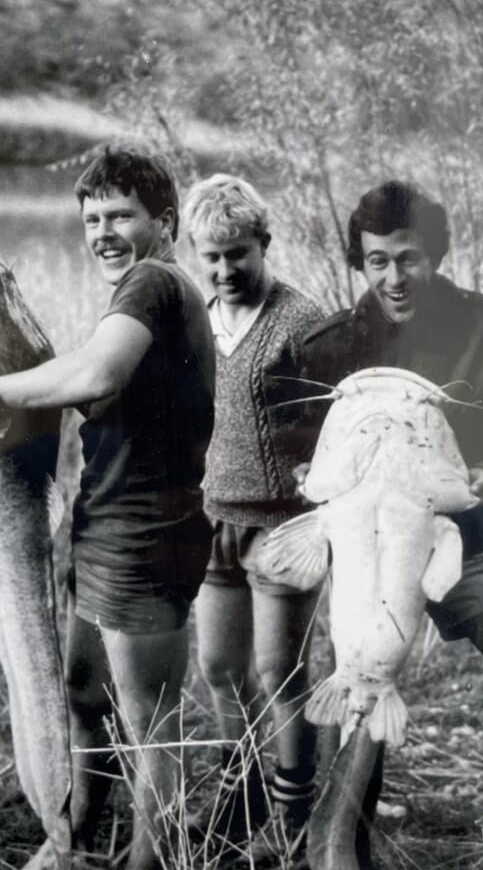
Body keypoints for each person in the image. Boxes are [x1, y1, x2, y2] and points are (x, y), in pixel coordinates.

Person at [0, 145, 216, 870]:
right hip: (106, 524)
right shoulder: (137, 292)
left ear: (165, 222)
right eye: (91, 219)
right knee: (86, 693)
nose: (103, 233)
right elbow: (87, 389)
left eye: (121, 215)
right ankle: (75, 840)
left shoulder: (153, 283)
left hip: (149, 534)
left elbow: (95, 373)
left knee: (150, 725)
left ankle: (150, 861)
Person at [298, 180, 483, 870]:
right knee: (357, 715)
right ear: (360, 261)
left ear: (437, 254)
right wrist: (309, 472)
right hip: (371, 573)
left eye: (408, 258)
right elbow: (291, 428)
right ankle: (340, 851)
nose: (394, 277)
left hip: (471, 555)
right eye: (377, 261)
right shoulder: (332, 345)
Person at [181, 174, 325, 862]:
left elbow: (335, 417)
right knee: (218, 666)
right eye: (210, 256)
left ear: (263, 243)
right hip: (213, 521)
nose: (223, 269)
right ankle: (241, 797)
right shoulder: (195, 321)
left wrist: (316, 475)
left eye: (236, 253)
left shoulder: (301, 321)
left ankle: (296, 817)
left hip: (284, 526)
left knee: (279, 671)